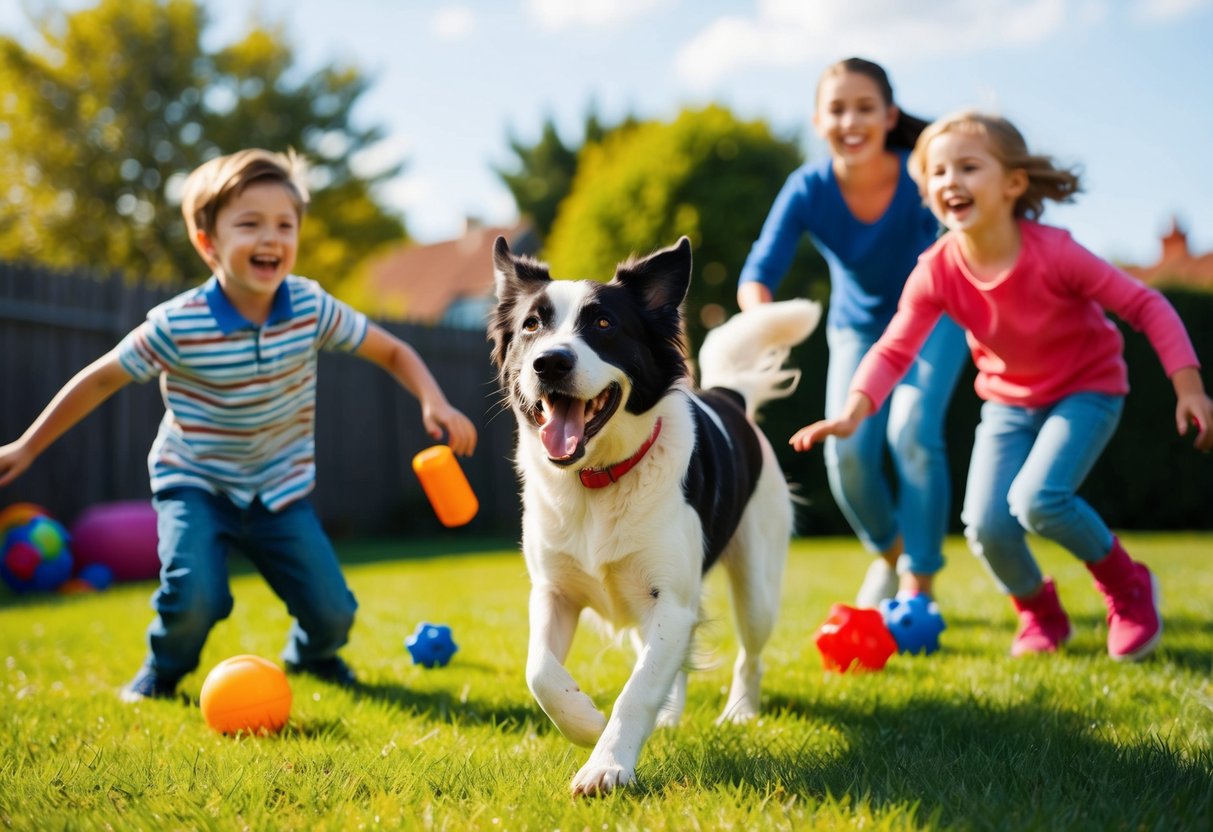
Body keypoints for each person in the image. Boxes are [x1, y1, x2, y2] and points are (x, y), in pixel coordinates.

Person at [0, 149, 478, 699]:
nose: (271, 238)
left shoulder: (310, 307)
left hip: (279, 488)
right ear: (209, 243)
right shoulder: (178, 325)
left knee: (333, 612)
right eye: (249, 224)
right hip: (196, 482)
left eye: (285, 224)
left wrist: (433, 401)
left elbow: (393, 351)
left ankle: (313, 656)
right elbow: (101, 378)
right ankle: (164, 670)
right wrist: (27, 445)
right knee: (194, 595)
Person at [791, 111, 1213, 661]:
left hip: (1087, 390)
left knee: (1038, 500)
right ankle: (1041, 614)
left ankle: (1129, 586)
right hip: (1009, 402)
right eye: (937, 173)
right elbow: (896, 347)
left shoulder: (1055, 252)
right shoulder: (937, 269)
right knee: (987, 526)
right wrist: (854, 410)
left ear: (1013, 183)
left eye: (968, 166)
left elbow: (1145, 304)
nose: (950, 182)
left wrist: (1189, 387)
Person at [738, 57, 968, 607]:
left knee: (911, 432)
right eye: (837, 109)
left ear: (890, 116)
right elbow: (758, 275)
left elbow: (972, 237)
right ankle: (889, 554)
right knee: (848, 453)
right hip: (858, 330)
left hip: (935, 319)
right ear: (818, 121)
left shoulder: (924, 173)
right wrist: (760, 323)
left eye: (865, 108)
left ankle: (920, 582)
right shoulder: (809, 188)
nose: (851, 121)